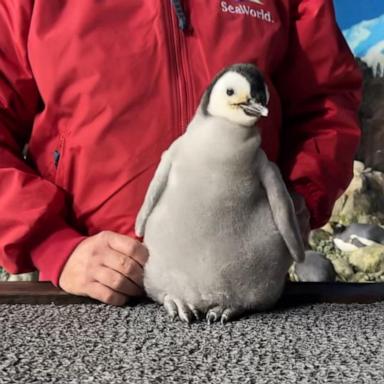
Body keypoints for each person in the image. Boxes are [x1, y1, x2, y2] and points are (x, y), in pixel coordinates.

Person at [0, 1, 362, 305]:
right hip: (92, 286)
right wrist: (53, 245)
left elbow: (325, 101)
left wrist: (301, 195)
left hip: (242, 285)